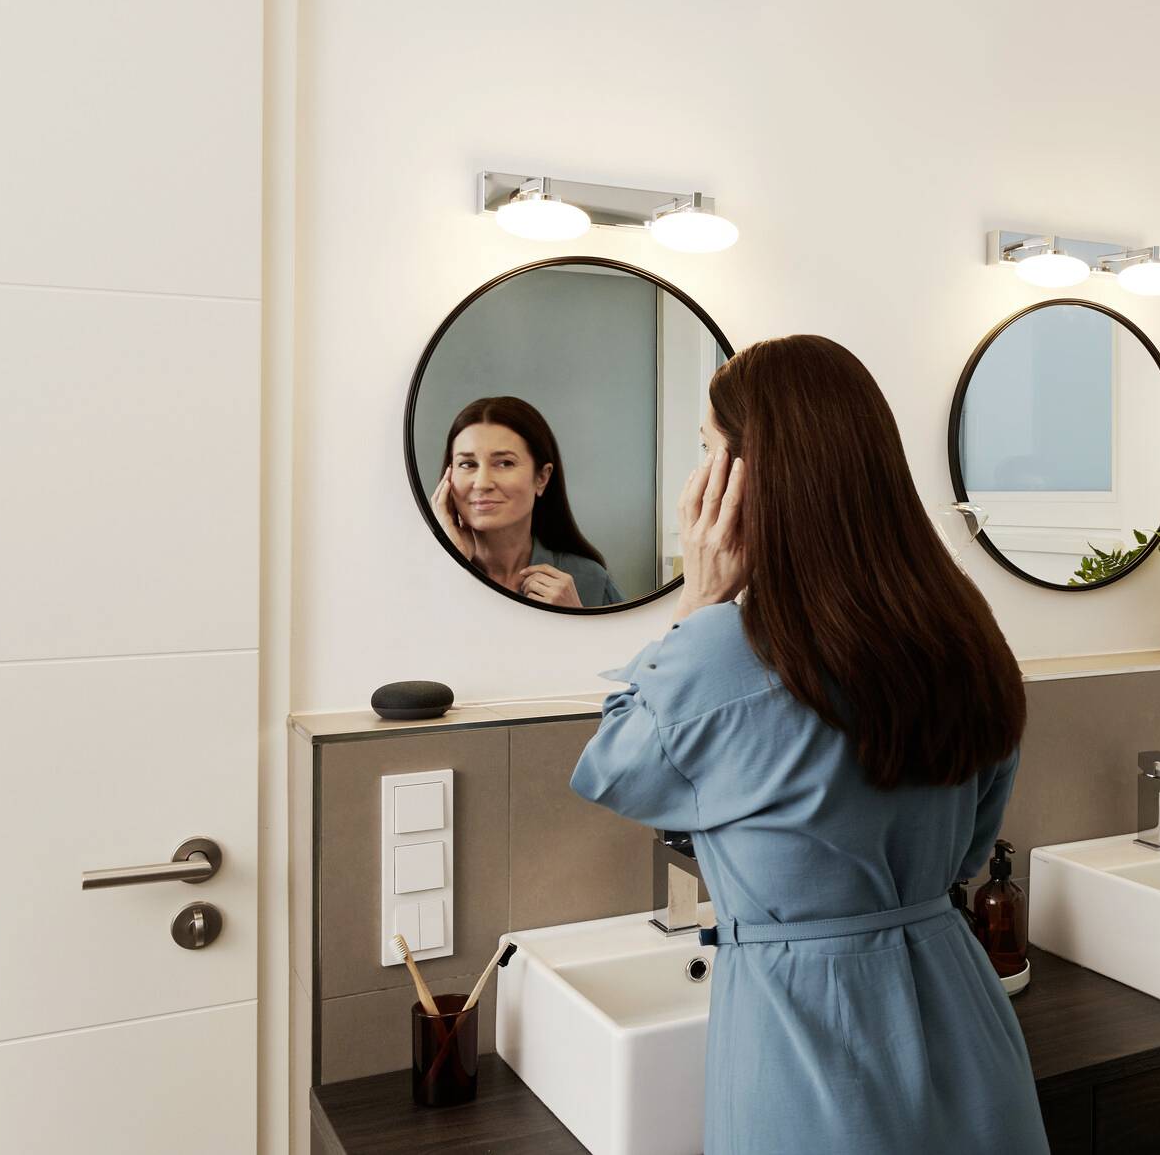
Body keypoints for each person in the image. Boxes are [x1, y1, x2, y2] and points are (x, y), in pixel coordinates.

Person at [568, 335, 1049, 1154]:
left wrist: (697, 600)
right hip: (966, 1021)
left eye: (708, 452)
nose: (696, 482)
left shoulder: (723, 650)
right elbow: (971, 848)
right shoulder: (962, 631)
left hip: (810, 1043)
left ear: (748, 478)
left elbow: (614, 768)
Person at [431, 396, 626, 607]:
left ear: (542, 477)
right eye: (467, 464)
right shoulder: (424, 578)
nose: (482, 483)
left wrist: (574, 617)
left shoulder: (591, 580)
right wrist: (452, 563)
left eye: (505, 463)